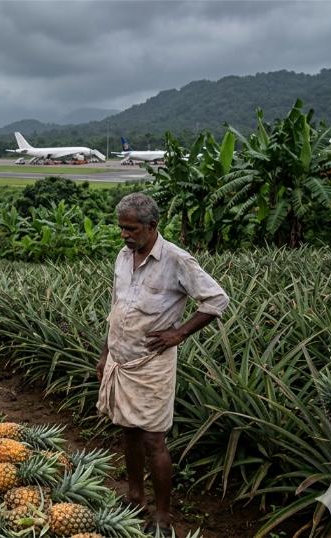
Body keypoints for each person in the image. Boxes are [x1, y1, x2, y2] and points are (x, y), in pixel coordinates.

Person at [97, 193, 229, 532]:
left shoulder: (176, 260)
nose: (125, 235)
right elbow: (116, 307)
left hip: (152, 364)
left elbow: (216, 299)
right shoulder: (123, 257)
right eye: (121, 228)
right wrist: (105, 353)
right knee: (128, 431)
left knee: (154, 440)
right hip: (122, 359)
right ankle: (135, 495)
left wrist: (179, 333)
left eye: (131, 229)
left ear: (152, 226)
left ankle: (163, 515)